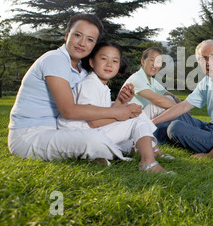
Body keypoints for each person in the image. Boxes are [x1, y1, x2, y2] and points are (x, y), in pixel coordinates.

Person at [8, 14, 142, 165]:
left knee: (123, 129)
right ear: (67, 36)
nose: (83, 43)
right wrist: (116, 112)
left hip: (60, 131)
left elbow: (93, 109)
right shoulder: (55, 59)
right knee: (94, 139)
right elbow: (69, 111)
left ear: (94, 45)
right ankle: (101, 152)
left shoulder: (81, 71)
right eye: (78, 35)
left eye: (90, 39)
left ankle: (100, 152)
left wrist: (119, 102)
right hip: (29, 135)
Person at [57, 41, 172, 173]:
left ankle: (150, 149)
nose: (109, 64)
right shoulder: (89, 84)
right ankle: (149, 163)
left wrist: (120, 102)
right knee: (137, 121)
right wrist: (126, 113)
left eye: (115, 61)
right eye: (104, 59)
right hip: (82, 135)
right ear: (92, 62)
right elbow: (94, 122)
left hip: (92, 130)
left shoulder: (101, 85)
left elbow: (105, 113)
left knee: (132, 136)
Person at [152, 40, 213, 158]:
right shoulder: (207, 80)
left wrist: (209, 156)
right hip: (211, 127)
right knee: (175, 114)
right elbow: (184, 106)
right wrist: (150, 123)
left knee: (175, 127)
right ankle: (142, 139)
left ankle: (158, 139)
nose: (209, 63)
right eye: (203, 59)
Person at [122, 47, 181, 119]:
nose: (154, 64)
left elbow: (172, 96)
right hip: (131, 120)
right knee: (158, 106)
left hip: (142, 118)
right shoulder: (136, 79)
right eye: (152, 60)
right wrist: (181, 110)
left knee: (170, 99)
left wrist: (178, 102)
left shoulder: (152, 81)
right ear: (143, 61)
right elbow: (159, 101)